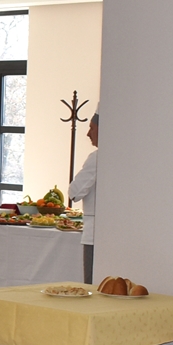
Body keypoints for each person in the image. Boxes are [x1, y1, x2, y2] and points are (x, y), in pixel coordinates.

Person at [68, 112, 99, 284]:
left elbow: (74, 192)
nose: (88, 134)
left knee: (92, 283)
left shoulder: (97, 157)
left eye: (92, 128)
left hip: (95, 233)